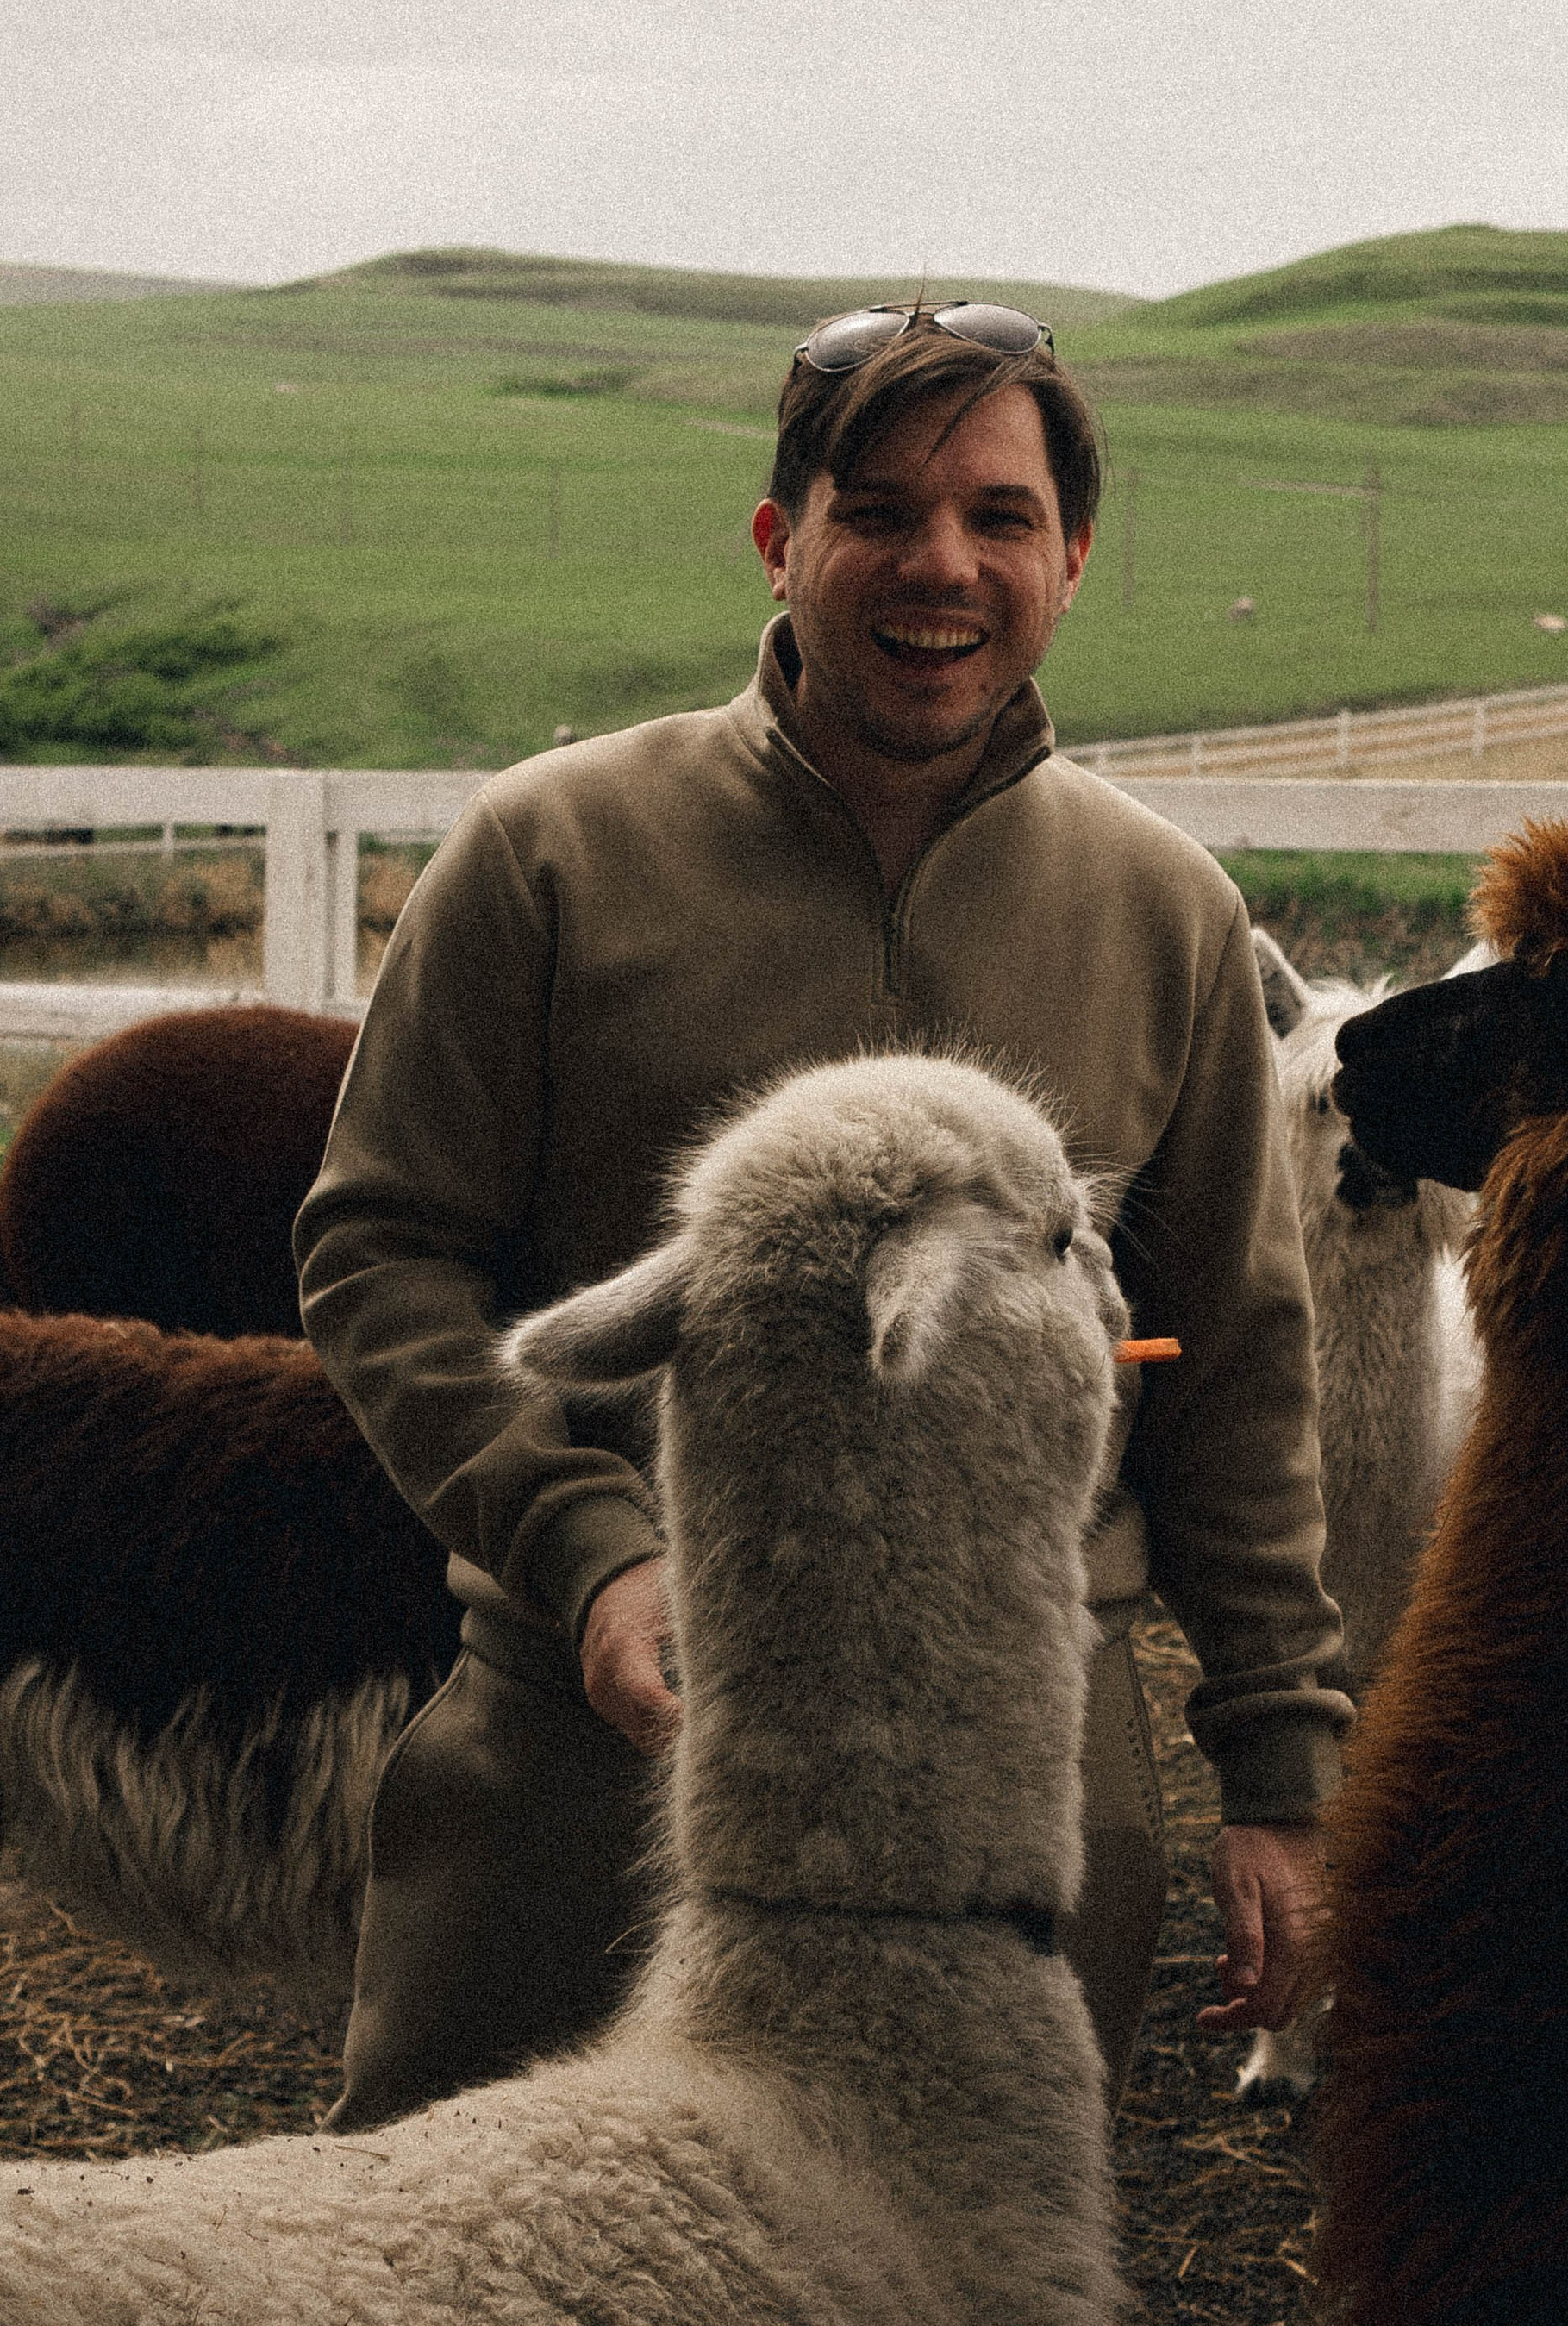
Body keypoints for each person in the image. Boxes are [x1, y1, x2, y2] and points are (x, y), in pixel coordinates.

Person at [296, 301, 1350, 2132]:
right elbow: (379, 1249)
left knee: (948, 2259)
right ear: (781, 541)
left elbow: (1240, 1362)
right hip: (600, 1736)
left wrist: (1275, 1765)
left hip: (1020, 1763)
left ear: (1072, 559)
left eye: (1000, 518)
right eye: (879, 509)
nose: (939, 565)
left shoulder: (1157, 912)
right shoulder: (546, 855)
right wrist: (585, 1539)